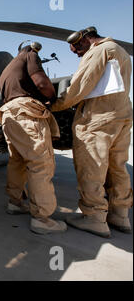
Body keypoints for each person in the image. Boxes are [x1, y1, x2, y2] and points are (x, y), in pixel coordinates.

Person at [51, 27, 133, 238]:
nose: (79, 54)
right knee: (117, 168)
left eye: (77, 50)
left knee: (92, 167)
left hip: (97, 119)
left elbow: (79, 86)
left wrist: (55, 106)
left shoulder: (98, 51)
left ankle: (94, 218)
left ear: (85, 40)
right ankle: (120, 214)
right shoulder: (120, 50)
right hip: (121, 116)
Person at [0, 41, 67, 235]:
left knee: (17, 161)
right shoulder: (30, 55)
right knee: (41, 162)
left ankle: (15, 202)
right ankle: (42, 218)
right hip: (26, 113)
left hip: (8, 115)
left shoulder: (5, 71)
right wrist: (51, 99)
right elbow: (42, 82)